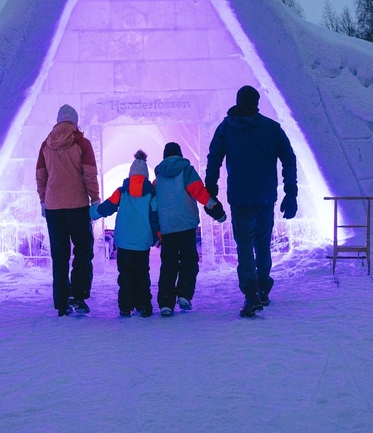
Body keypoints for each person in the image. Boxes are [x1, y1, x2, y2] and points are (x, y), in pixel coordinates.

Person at [204, 85, 298, 318]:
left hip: (240, 197)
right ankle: (263, 287)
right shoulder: (271, 129)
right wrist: (290, 191)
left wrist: (211, 189)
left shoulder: (227, 128)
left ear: (237, 101)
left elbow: (214, 157)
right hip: (265, 195)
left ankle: (251, 293)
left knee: (244, 244)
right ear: (257, 103)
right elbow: (289, 158)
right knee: (262, 242)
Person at [36, 104, 100, 317]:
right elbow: (90, 174)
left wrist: (43, 200)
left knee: (59, 254)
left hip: (54, 207)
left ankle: (61, 302)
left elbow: (40, 176)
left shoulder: (46, 144)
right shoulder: (82, 143)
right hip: (77, 205)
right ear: (74, 121)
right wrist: (95, 199)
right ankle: (78, 296)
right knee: (83, 250)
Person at [153, 141, 225, 316]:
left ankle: (166, 302)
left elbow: (154, 206)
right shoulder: (186, 171)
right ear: (180, 154)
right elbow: (199, 192)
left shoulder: (158, 179)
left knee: (168, 264)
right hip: (186, 225)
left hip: (167, 228)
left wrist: (156, 230)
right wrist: (215, 209)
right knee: (189, 260)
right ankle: (184, 294)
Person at [92, 150, 159, 318]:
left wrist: (90, 213)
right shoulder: (151, 194)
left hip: (123, 241)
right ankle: (143, 306)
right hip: (142, 241)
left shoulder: (122, 192)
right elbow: (154, 217)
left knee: (125, 275)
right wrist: (157, 236)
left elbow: (106, 208)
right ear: (145, 174)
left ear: (131, 174)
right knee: (142, 274)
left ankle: (125, 306)